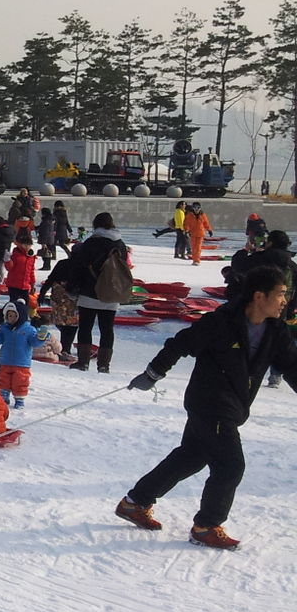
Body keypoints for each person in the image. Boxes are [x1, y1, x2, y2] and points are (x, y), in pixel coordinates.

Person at [119, 265, 297, 550]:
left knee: (191, 456)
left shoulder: (276, 331)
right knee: (230, 465)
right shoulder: (221, 323)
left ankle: (135, 503)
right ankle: (206, 526)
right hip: (209, 403)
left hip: (234, 405)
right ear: (259, 296)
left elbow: (291, 366)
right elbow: (179, 344)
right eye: (280, 294)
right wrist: (153, 373)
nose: (285, 301)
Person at [68, 212, 130, 372]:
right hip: (111, 292)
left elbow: (79, 267)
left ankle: (83, 362)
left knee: (85, 327)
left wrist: (72, 287)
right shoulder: (120, 244)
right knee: (107, 329)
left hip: (89, 291)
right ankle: (104, 365)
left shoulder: (91, 243)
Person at [0, 299, 47, 409]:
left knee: (20, 381)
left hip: (21, 363)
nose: (11, 318)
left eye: (14, 316)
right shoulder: (5, 329)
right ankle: (3, 396)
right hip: (5, 361)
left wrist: (40, 337)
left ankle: (19, 399)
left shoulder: (29, 329)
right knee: (3, 379)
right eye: (9, 316)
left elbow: (34, 342)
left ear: (21, 316)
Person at [4, 231, 38, 306]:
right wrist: (7, 261)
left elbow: (31, 272)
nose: (27, 247)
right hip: (14, 285)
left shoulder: (31, 257)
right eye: (25, 245)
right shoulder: (15, 255)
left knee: (25, 303)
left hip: (25, 286)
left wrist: (32, 284)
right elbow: (9, 268)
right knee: (14, 303)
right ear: (20, 244)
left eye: (29, 245)